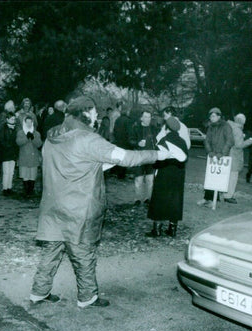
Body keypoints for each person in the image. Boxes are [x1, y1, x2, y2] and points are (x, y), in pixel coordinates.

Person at [30, 96, 173, 308]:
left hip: (53, 207)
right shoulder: (88, 140)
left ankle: (38, 293)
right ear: (86, 113)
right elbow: (125, 157)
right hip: (79, 208)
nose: (97, 116)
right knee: (83, 253)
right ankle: (87, 297)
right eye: (94, 112)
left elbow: (76, 165)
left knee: (51, 251)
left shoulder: (53, 138)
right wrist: (161, 154)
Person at [147, 116, 189, 237]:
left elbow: (157, 160)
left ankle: (157, 229)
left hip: (163, 175)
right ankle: (172, 229)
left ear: (166, 128)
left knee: (159, 199)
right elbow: (185, 159)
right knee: (175, 201)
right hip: (177, 176)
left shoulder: (163, 141)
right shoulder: (182, 142)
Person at [197, 107, 234, 206]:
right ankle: (207, 198)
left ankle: (214, 200)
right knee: (210, 177)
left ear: (219, 116)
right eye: (210, 116)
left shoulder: (226, 126)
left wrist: (222, 153)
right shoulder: (210, 127)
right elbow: (207, 140)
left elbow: (230, 141)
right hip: (213, 156)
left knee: (218, 178)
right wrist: (210, 152)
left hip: (221, 156)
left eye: (213, 116)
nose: (211, 118)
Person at [222, 113, 252, 204]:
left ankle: (223, 193)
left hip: (226, 154)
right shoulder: (238, 130)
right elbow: (239, 145)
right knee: (233, 177)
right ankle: (228, 196)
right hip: (234, 156)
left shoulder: (229, 126)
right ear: (241, 122)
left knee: (226, 177)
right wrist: (249, 141)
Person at [129, 110, 158, 205]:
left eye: (149, 117)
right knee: (139, 179)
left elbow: (158, 141)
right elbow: (130, 140)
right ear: (141, 118)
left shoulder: (154, 128)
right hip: (139, 157)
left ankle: (148, 198)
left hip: (150, 157)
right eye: (145, 117)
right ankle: (138, 198)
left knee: (150, 179)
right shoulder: (136, 128)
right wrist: (137, 143)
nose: (148, 119)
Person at [16, 115, 42, 198]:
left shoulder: (36, 133)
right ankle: (26, 191)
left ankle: (31, 190)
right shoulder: (20, 132)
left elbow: (39, 144)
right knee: (25, 174)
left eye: (30, 122)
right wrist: (26, 138)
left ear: (32, 123)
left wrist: (33, 138)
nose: (29, 124)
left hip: (33, 157)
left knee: (32, 174)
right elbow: (18, 142)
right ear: (24, 123)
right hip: (24, 156)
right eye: (27, 122)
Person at [110, 102, 134, 180]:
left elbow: (114, 130)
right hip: (126, 142)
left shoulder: (118, 120)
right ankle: (122, 176)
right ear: (127, 112)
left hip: (118, 141)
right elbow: (130, 132)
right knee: (125, 158)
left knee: (119, 157)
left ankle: (118, 174)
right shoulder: (129, 121)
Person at [0, 113, 19, 196]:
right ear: (7, 119)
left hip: (13, 152)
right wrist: (9, 146)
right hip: (6, 152)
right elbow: (2, 140)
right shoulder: (3, 128)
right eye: (11, 119)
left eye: (14, 119)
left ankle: (9, 187)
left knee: (11, 172)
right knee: (6, 171)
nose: (13, 121)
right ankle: (5, 188)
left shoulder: (15, 128)